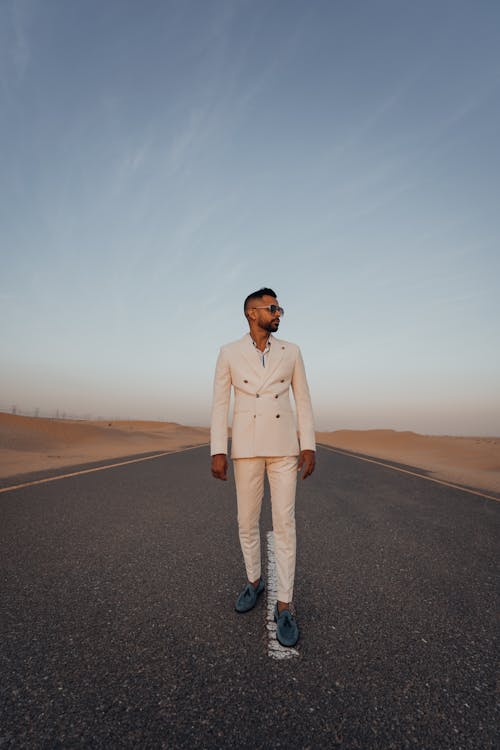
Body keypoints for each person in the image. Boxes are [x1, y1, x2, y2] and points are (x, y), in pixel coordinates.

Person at [210, 287, 316, 647]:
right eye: (273, 308)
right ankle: (254, 581)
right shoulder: (228, 353)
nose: (279, 313)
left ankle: (284, 604)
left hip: (285, 446)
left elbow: (302, 400)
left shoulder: (292, 352)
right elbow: (219, 403)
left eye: (279, 308)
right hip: (246, 447)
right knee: (246, 521)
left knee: (285, 523)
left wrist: (309, 445)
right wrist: (217, 449)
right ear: (252, 313)